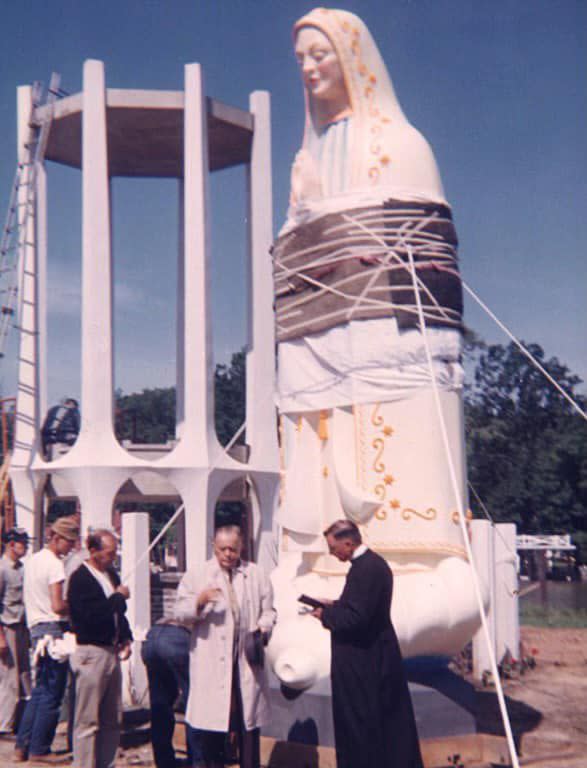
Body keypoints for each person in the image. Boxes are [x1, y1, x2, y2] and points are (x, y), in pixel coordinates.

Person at [311, 520, 423, 768]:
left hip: (364, 663)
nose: (331, 553)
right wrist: (334, 605)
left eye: (333, 547)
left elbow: (358, 619)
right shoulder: (370, 565)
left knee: (362, 725)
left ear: (348, 543)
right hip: (374, 657)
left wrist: (325, 616)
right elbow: (360, 607)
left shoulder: (366, 569)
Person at [174, 525, 275, 768]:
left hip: (245, 663)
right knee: (212, 729)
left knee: (248, 727)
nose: (228, 554)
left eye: (233, 549)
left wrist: (262, 628)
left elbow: (269, 610)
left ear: (241, 547)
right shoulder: (198, 574)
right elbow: (179, 613)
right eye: (223, 549)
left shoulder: (256, 573)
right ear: (213, 547)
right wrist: (199, 601)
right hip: (212, 663)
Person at [16, 515, 79, 764]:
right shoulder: (55, 565)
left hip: (35, 627)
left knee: (40, 690)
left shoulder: (33, 561)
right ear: (57, 538)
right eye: (69, 542)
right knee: (53, 692)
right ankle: (40, 748)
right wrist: (74, 607)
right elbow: (57, 604)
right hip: (53, 628)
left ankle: (23, 744)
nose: (71, 548)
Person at [67, 529, 132, 768]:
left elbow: (116, 613)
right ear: (93, 551)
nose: (113, 557)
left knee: (111, 717)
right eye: (109, 552)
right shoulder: (80, 580)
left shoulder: (110, 574)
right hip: (91, 652)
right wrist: (117, 598)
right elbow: (90, 617)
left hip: (111, 651)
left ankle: (107, 763)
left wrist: (125, 635)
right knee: (87, 719)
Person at [141, 618, 193, 768]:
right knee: (194, 703)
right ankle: (196, 759)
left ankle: (164, 762)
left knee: (159, 704)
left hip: (152, 636)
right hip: (177, 637)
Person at [0, 528, 31, 736]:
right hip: (7, 627)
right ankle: (4, 725)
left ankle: (19, 721)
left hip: (21, 626)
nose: (26, 547)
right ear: (11, 544)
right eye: (22, 543)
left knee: (23, 676)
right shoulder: (2, 569)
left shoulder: (21, 568)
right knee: (9, 677)